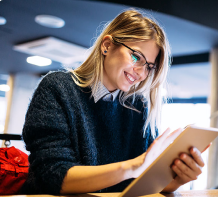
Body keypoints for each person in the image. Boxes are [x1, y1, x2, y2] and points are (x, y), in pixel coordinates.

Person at [20, 9, 206, 194]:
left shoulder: (138, 107)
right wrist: (132, 167)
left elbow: (145, 182)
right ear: (107, 46)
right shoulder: (58, 88)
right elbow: (52, 175)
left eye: (149, 67)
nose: (141, 73)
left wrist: (178, 178)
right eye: (136, 57)